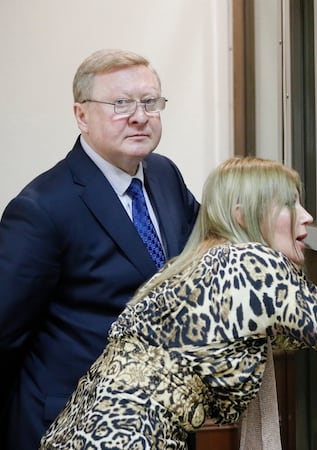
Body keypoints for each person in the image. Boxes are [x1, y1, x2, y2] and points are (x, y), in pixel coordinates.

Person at [40, 156, 317, 449]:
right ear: (242, 216)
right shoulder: (256, 263)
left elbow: (296, 329)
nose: (306, 216)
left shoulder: (199, 262)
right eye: (289, 204)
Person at [0, 49, 200, 450]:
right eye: (121, 103)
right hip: (77, 425)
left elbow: (203, 261)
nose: (139, 115)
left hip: (164, 419)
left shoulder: (164, 175)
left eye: (150, 102)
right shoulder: (41, 208)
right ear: (81, 116)